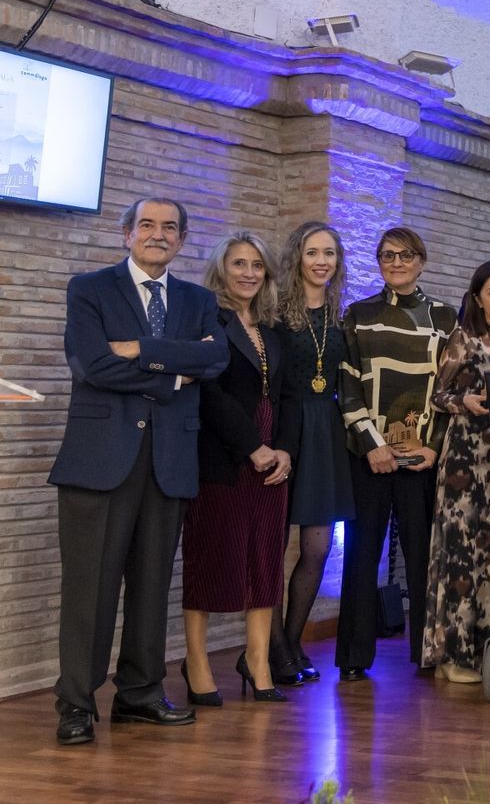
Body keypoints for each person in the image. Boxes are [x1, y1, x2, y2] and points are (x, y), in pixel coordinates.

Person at [51, 197, 228, 746]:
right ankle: (76, 705)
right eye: (147, 225)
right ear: (126, 235)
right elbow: (91, 363)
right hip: (99, 461)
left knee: (153, 586)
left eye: (170, 227)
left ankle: (141, 695)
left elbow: (215, 360)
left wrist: (141, 349)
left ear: (181, 239)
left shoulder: (200, 300)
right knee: (91, 591)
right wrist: (173, 372)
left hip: (169, 462)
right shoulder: (90, 288)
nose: (158, 234)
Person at [336, 226, 458, 681]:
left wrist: (433, 446)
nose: (397, 262)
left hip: (422, 458)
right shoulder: (358, 314)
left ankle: (427, 651)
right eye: (387, 255)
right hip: (368, 455)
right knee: (361, 555)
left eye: (406, 255)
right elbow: (346, 384)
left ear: (421, 261)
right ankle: (352, 657)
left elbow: (451, 389)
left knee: (424, 557)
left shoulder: (445, 318)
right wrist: (373, 445)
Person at [182, 231, 294, 706]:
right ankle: (196, 663)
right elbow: (210, 393)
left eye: (257, 266)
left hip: (273, 467)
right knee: (210, 563)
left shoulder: (274, 330)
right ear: (221, 270)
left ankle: (259, 660)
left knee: (265, 565)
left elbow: (286, 396)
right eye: (239, 264)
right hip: (224, 462)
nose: (248, 273)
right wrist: (253, 447)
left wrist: (283, 449)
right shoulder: (206, 321)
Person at [423, 260, 490, 683]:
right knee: (462, 553)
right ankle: (454, 655)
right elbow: (439, 394)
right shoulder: (464, 338)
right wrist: (465, 401)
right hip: (467, 457)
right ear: (478, 298)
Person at [269, 220, 356, 685]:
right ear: (296, 258)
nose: (322, 261)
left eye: (330, 253)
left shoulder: (343, 314)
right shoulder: (275, 314)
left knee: (319, 546)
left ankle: (292, 639)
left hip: (327, 431)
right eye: (312, 253)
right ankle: (271, 650)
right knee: (274, 544)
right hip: (287, 429)